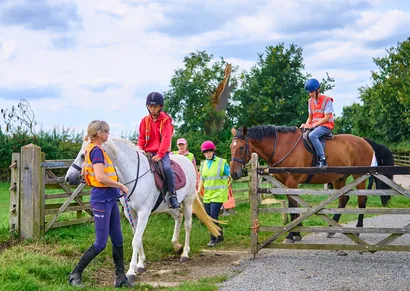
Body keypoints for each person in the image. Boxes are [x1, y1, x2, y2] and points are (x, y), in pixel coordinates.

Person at [68, 120, 134, 288]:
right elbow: (101, 177)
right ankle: (75, 273)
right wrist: (120, 185)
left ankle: (120, 277)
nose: (108, 134)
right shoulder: (96, 151)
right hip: (101, 199)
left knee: (118, 239)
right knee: (100, 243)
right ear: (98, 133)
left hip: (110, 198)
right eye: (106, 131)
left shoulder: (98, 150)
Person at [137, 92, 180, 209]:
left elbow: (166, 139)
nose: (152, 109)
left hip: (161, 152)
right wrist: (139, 149)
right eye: (150, 106)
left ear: (160, 107)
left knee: (166, 168)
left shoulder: (166, 121)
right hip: (146, 152)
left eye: (155, 107)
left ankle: (172, 195)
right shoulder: (144, 121)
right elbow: (141, 137)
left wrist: (160, 155)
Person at [196, 140, 230, 247]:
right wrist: (198, 189)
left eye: (210, 151)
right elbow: (202, 178)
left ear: (213, 151)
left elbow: (230, 173)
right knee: (209, 216)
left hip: (219, 193)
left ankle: (213, 239)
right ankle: (220, 235)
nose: (208, 153)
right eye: (206, 152)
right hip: (208, 194)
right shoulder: (203, 164)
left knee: (213, 216)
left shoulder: (222, 162)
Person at [300, 78, 335, 167]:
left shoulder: (327, 100)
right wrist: (306, 125)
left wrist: (313, 125)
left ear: (318, 90)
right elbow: (310, 117)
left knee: (312, 135)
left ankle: (323, 160)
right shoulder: (310, 101)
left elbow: (327, 118)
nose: (310, 94)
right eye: (309, 92)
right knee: (301, 134)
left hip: (326, 125)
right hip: (314, 126)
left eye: (312, 92)